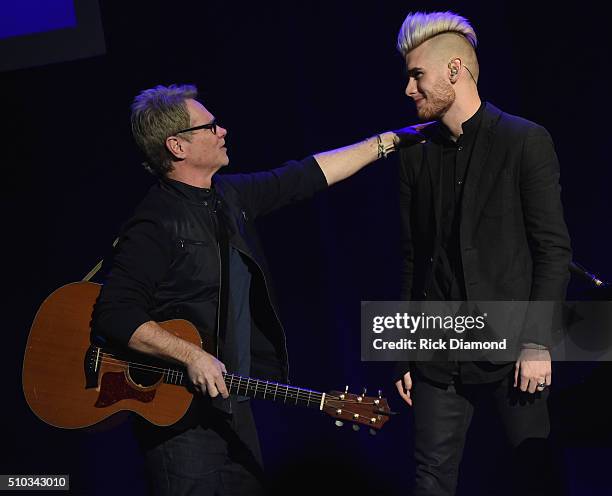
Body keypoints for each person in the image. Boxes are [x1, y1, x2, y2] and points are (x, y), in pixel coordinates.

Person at [91, 83, 423, 496]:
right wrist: (190, 354)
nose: (223, 131)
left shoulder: (228, 196)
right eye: (210, 127)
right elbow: (115, 313)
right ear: (177, 146)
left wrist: (388, 142)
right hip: (178, 429)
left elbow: (306, 175)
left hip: (231, 410)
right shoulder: (154, 223)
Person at [391, 12, 571, 496]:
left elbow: (553, 250)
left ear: (454, 70)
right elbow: (414, 257)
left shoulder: (523, 140)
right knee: (429, 481)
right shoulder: (415, 154)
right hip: (437, 350)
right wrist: (405, 351)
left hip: (512, 346)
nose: (409, 90)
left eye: (416, 76)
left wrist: (537, 342)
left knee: (536, 474)